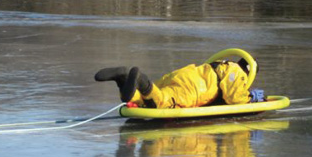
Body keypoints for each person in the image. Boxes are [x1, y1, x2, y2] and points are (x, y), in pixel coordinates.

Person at [95, 58, 264, 108]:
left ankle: (123, 80)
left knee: (148, 99)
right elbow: (234, 97)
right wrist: (251, 98)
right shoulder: (238, 73)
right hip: (194, 88)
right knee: (162, 103)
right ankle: (140, 79)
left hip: (185, 74)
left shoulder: (223, 63)